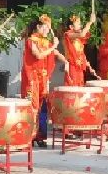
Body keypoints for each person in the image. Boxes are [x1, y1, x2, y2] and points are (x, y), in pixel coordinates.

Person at [22, 15, 70, 147]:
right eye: (44, 28)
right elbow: (38, 55)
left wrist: (66, 61)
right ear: (38, 27)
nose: (46, 31)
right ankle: (29, 137)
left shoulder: (45, 42)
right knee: (33, 108)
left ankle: (40, 136)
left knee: (42, 108)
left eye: (48, 29)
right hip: (32, 80)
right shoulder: (31, 40)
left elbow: (56, 54)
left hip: (42, 80)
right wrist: (53, 46)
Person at [63, 11, 98, 86]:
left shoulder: (79, 40)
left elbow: (82, 54)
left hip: (79, 67)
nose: (80, 25)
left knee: (80, 86)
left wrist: (89, 67)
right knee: (73, 88)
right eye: (78, 24)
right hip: (72, 67)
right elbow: (82, 34)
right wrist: (90, 22)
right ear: (71, 27)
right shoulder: (68, 35)